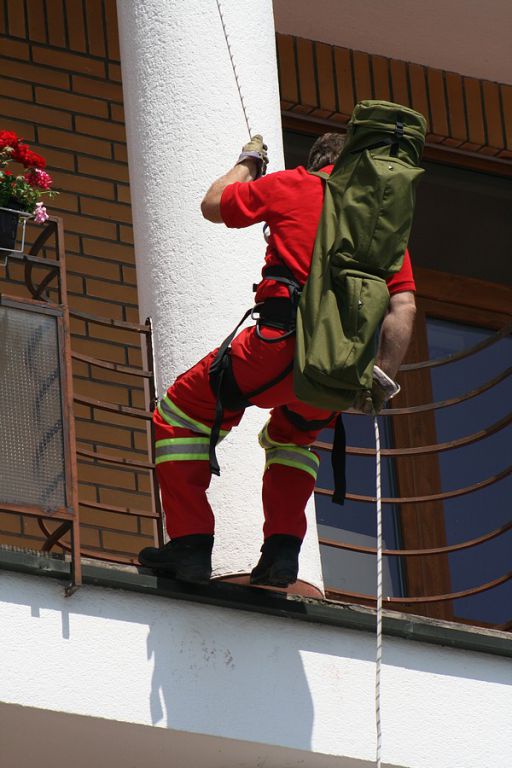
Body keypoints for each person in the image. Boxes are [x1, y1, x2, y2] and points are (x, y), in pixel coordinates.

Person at [138, 133, 417, 586]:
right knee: (294, 440)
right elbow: (403, 307)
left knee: (180, 414)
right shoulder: (382, 219)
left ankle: (189, 546)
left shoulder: (294, 184)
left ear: (319, 161)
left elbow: (213, 204)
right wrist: (380, 378)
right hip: (335, 369)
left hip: (274, 348)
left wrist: (248, 164)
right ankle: (282, 556)